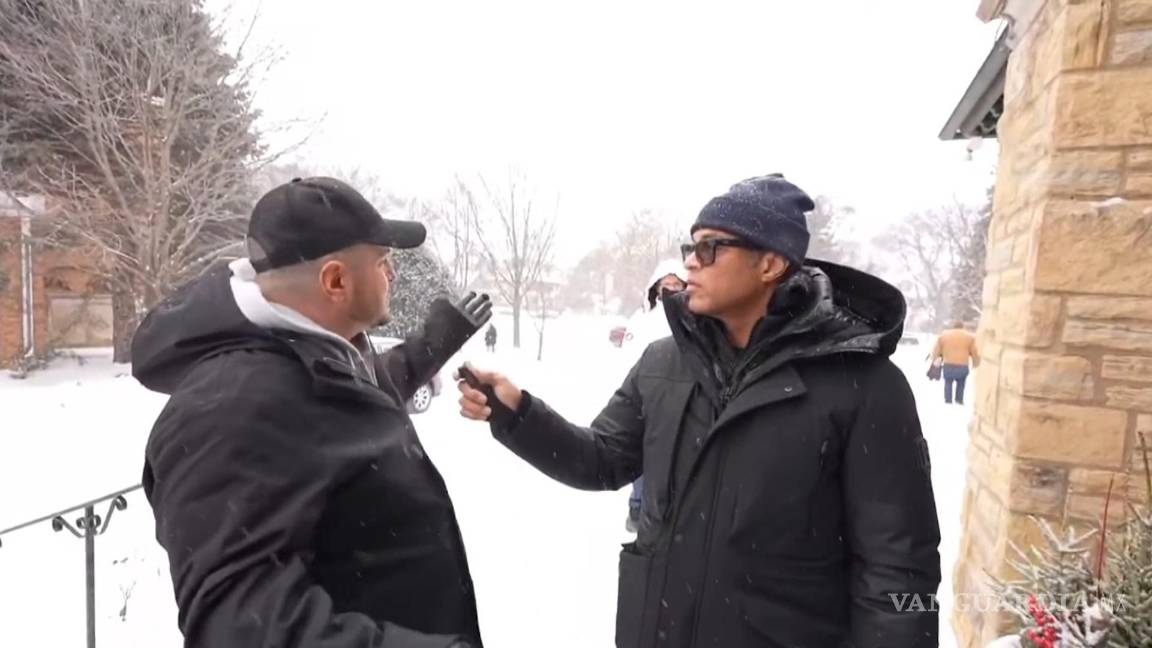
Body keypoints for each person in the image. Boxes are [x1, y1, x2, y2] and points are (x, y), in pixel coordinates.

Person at [458, 174, 941, 647]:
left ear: (770, 263)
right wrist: (518, 414)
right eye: (689, 247)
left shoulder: (864, 385)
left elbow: (898, 572)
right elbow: (602, 459)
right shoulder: (663, 363)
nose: (690, 263)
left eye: (710, 248)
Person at [133, 177, 490, 648]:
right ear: (336, 281)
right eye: (382, 263)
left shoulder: (305, 355)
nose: (394, 276)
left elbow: (349, 402)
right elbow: (239, 628)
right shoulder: (231, 406)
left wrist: (435, 343)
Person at [622, 259, 686, 533]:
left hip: (682, 400)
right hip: (645, 399)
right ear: (655, 289)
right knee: (643, 455)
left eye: (676, 285)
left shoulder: (692, 317)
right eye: (665, 285)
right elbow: (628, 357)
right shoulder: (642, 320)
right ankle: (638, 506)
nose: (670, 290)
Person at [932, 320, 980, 405]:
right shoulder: (970, 337)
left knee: (948, 383)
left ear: (953, 326)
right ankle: (959, 400)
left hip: (948, 364)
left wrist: (935, 360)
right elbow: (974, 352)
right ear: (962, 327)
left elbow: (936, 350)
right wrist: (976, 363)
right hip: (963, 365)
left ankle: (948, 401)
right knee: (961, 384)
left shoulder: (944, 336)